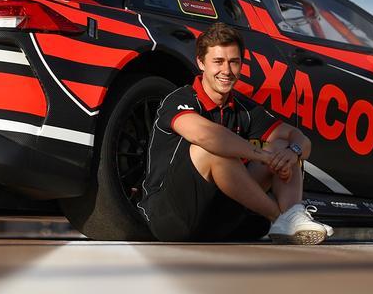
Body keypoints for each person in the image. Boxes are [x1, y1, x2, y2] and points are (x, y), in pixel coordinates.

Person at [138, 21, 333, 244]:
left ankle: (293, 216)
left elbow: (300, 139)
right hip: (170, 217)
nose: (227, 71)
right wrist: (262, 155)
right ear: (201, 62)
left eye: (234, 62)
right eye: (218, 62)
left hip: (219, 219)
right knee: (212, 150)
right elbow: (206, 136)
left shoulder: (244, 109)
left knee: (281, 147)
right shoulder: (179, 99)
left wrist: (293, 152)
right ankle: (282, 219)